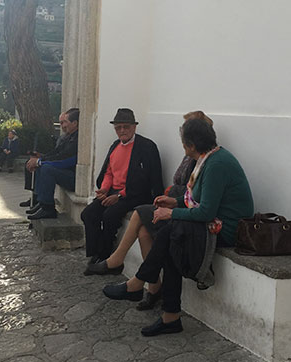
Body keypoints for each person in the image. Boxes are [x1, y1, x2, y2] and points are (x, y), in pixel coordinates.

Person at [103, 117, 254, 336]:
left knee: (170, 232)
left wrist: (172, 212)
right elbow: (198, 200)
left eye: (184, 143)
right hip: (210, 222)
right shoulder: (207, 159)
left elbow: (206, 212)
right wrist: (174, 202)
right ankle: (168, 316)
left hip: (224, 230)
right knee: (162, 231)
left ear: (191, 145)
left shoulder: (217, 164)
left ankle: (139, 284)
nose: (182, 147)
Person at [84, 111, 213, 310]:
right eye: (118, 127)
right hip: (178, 205)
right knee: (139, 228)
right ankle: (154, 290)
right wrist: (172, 201)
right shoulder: (197, 159)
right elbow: (190, 194)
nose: (122, 131)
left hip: (188, 218)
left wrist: (171, 209)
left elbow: (201, 206)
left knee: (142, 219)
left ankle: (122, 267)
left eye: (185, 136)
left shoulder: (209, 162)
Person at [80, 108, 163, 263]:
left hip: (135, 194)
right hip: (113, 192)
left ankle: (106, 256)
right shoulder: (115, 146)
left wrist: (119, 196)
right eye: (118, 127)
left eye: (126, 126)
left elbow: (143, 181)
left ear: (134, 127)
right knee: (88, 214)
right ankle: (95, 253)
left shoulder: (146, 147)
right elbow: (109, 172)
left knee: (109, 215)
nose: (122, 130)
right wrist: (104, 189)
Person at [25, 108, 79, 220]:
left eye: (65, 122)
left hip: (74, 177)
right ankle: (41, 202)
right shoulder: (69, 137)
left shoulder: (77, 139)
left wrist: (40, 162)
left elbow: (65, 159)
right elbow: (56, 153)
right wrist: (40, 159)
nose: (63, 125)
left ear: (74, 123)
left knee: (46, 168)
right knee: (41, 165)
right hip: (67, 172)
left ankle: (48, 208)